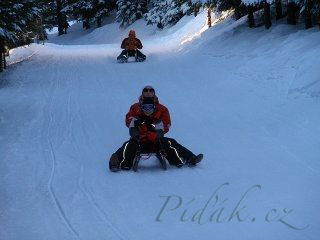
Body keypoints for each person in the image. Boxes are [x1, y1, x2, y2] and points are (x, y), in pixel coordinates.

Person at [109, 85, 203, 172]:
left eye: (151, 90)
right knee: (128, 145)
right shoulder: (135, 107)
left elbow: (165, 126)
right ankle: (116, 162)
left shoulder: (162, 109)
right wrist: (137, 127)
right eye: (146, 90)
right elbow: (130, 123)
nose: (148, 92)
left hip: (156, 140)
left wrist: (153, 133)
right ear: (142, 92)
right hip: (139, 138)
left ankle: (190, 158)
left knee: (170, 143)